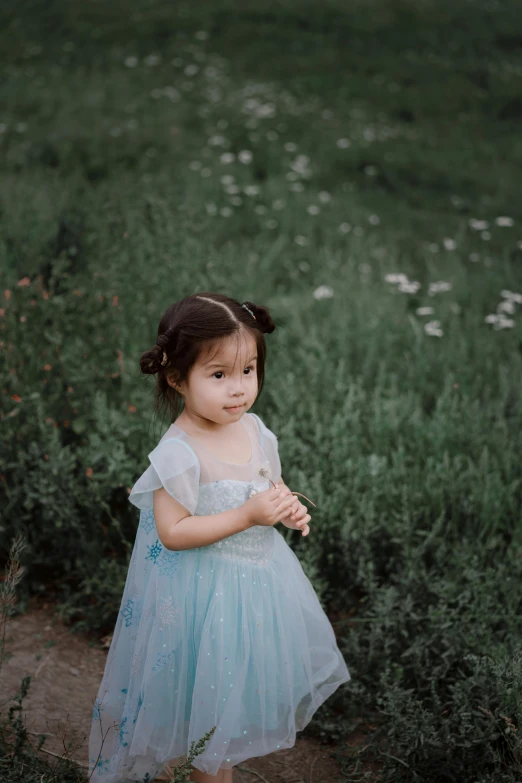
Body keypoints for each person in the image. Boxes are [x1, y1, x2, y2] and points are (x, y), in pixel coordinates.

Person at [88, 292, 351, 783]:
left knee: (227, 716)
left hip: (255, 593)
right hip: (199, 601)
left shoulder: (254, 430)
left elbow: (268, 484)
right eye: (219, 375)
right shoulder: (178, 454)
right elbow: (173, 532)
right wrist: (248, 514)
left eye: (248, 371)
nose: (239, 390)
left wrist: (285, 507)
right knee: (205, 734)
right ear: (175, 377)